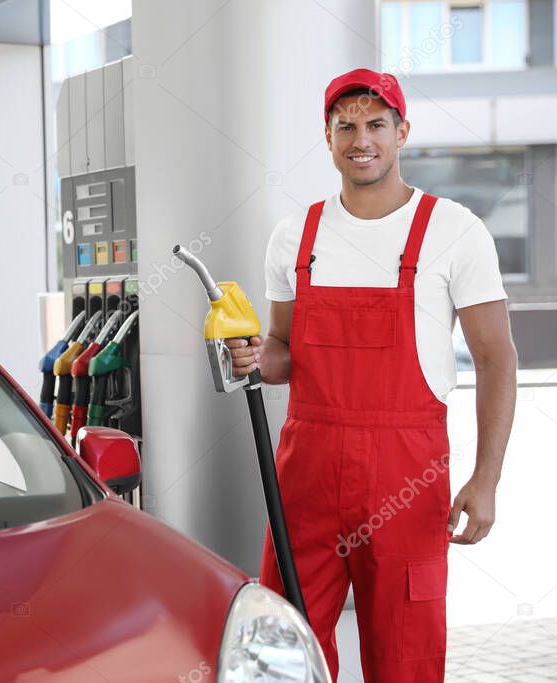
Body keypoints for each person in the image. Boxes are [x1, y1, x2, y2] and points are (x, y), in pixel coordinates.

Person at [227, 68, 517, 682]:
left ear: (401, 132)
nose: (362, 139)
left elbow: (496, 358)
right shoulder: (295, 236)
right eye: (346, 126)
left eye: (376, 125)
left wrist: (486, 478)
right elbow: (282, 351)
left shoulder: (454, 230)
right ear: (328, 137)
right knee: (285, 642)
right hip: (307, 472)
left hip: (407, 474)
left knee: (405, 651)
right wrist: (254, 356)